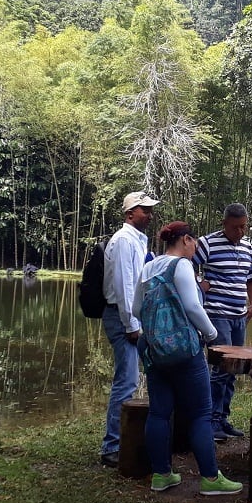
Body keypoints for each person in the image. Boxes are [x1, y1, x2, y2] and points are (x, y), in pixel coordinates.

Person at [132, 221, 244, 495]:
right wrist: (211, 333)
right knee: (201, 413)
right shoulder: (181, 265)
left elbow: (135, 308)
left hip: (155, 350)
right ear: (185, 240)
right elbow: (193, 306)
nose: (196, 247)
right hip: (184, 350)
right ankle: (210, 478)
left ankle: (161, 474)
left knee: (159, 412)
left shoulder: (149, 266)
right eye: (194, 242)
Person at [98, 191, 159, 468]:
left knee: (130, 379)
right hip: (122, 318)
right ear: (129, 213)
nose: (148, 214)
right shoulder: (124, 240)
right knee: (126, 380)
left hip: (132, 317)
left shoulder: (138, 240)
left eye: (149, 210)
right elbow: (124, 285)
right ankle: (111, 446)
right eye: (143, 209)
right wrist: (131, 324)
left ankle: (123, 440)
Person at [194, 203, 252, 441]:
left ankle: (222, 418)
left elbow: (251, 278)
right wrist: (199, 283)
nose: (240, 232)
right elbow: (186, 266)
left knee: (234, 369)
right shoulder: (208, 243)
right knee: (221, 368)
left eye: (244, 227)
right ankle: (211, 420)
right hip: (216, 314)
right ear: (224, 224)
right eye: (236, 228)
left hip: (239, 315)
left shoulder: (247, 246)